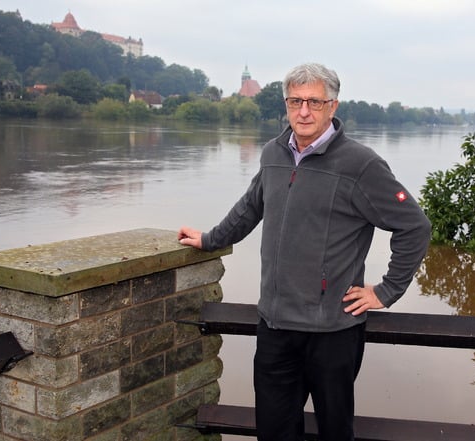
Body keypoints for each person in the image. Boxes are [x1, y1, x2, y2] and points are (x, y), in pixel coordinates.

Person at [178, 62, 431, 441]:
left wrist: (386, 290)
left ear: (333, 106)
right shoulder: (273, 154)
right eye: (295, 101)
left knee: (333, 431)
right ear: (286, 104)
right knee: (275, 432)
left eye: (314, 101)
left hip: (332, 331)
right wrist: (209, 239)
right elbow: (250, 208)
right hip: (276, 327)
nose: (304, 111)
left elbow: (414, 226)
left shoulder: (360, 165)